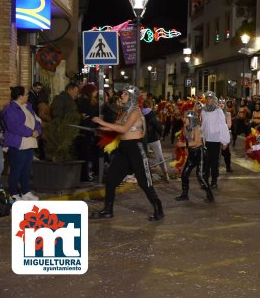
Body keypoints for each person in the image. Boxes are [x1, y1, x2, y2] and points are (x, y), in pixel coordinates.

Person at [90, 85, 164, 221]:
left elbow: (124, 129)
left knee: (144, 182)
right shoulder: (124, 112)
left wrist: (102, 121)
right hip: (124, 149)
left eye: (125, 94)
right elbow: (117, 128)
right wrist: (102, 128)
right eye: (122, 93)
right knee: (111, 179)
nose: (121, 96)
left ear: (132, 97)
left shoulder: (135, 111)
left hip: (136, 148)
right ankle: (108, 210)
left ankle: (158, 208)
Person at [2, 86, 42, 202]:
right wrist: (30, 132)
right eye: (26, 94)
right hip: (17, 144)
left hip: (30, 143)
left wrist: (37, 131)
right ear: (20, 96)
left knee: (26, 169)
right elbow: (14, 126)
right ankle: (13, 193)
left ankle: (26, 191)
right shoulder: (9, 109)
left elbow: (37, 121)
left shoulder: (28, 106)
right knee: (16, 170)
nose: (28, 96)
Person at [175, 110, 213, 203]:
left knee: (200, 176)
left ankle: (210, 195)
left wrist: (183, 145)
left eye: (185, 117)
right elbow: (188, 142)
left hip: (200, 153)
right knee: (184, 174)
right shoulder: (185, 127)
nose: (183, 119)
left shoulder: (197, 128)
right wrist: (185, 148)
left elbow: (196, 142)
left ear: (191, 119)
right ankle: (184, 194)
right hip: (192, 153)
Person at [200, 91, 230, 189]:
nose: (209, 100)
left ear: (214, 99)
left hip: (215, 140)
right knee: (205, 162)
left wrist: (225, 141)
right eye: (208, 98)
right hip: (205, 140)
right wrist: (200, 136)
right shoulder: (203, 111)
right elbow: (203, 125)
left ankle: (214, 181)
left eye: (211, 98)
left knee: (214, 162)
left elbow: (223, 125)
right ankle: (205, 181)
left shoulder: (218, 111)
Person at [143, 99, 169, 182]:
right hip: (154, 138)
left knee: (144, 158)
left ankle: (147, 176)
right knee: (160, 157)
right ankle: (165, 174)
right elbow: (158, 126)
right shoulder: (152, 114)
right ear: (150, 106)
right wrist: (161, 135)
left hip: (144, 139)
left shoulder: (139, 113)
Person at [218, 98, 233, 173]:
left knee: (226, 152)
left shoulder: (228, 114)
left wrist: (222, 126)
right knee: (216, 153)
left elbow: (229, 125)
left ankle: (228, 166)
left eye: (223, 103)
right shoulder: (215, 114)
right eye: (220, 103)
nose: (221, 105)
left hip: (224, 135)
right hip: (216, 135)